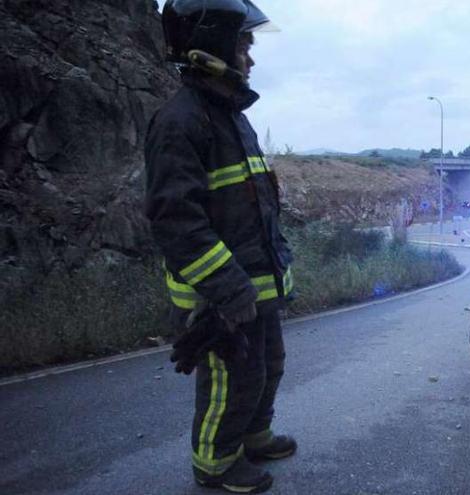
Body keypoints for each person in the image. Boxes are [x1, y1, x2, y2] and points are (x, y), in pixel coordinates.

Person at [145, 1, 294, 492]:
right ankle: (215, 462)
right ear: (211, 44)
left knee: (268, 366)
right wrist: (228, 290)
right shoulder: (180, 122)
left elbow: (258, 204)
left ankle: (254, 435)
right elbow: (177, 220)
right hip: (221, 296)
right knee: (233, 379)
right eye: (243, 44)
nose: (250, 57)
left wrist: (277, 271)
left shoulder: (232, 117)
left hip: (254, 287)